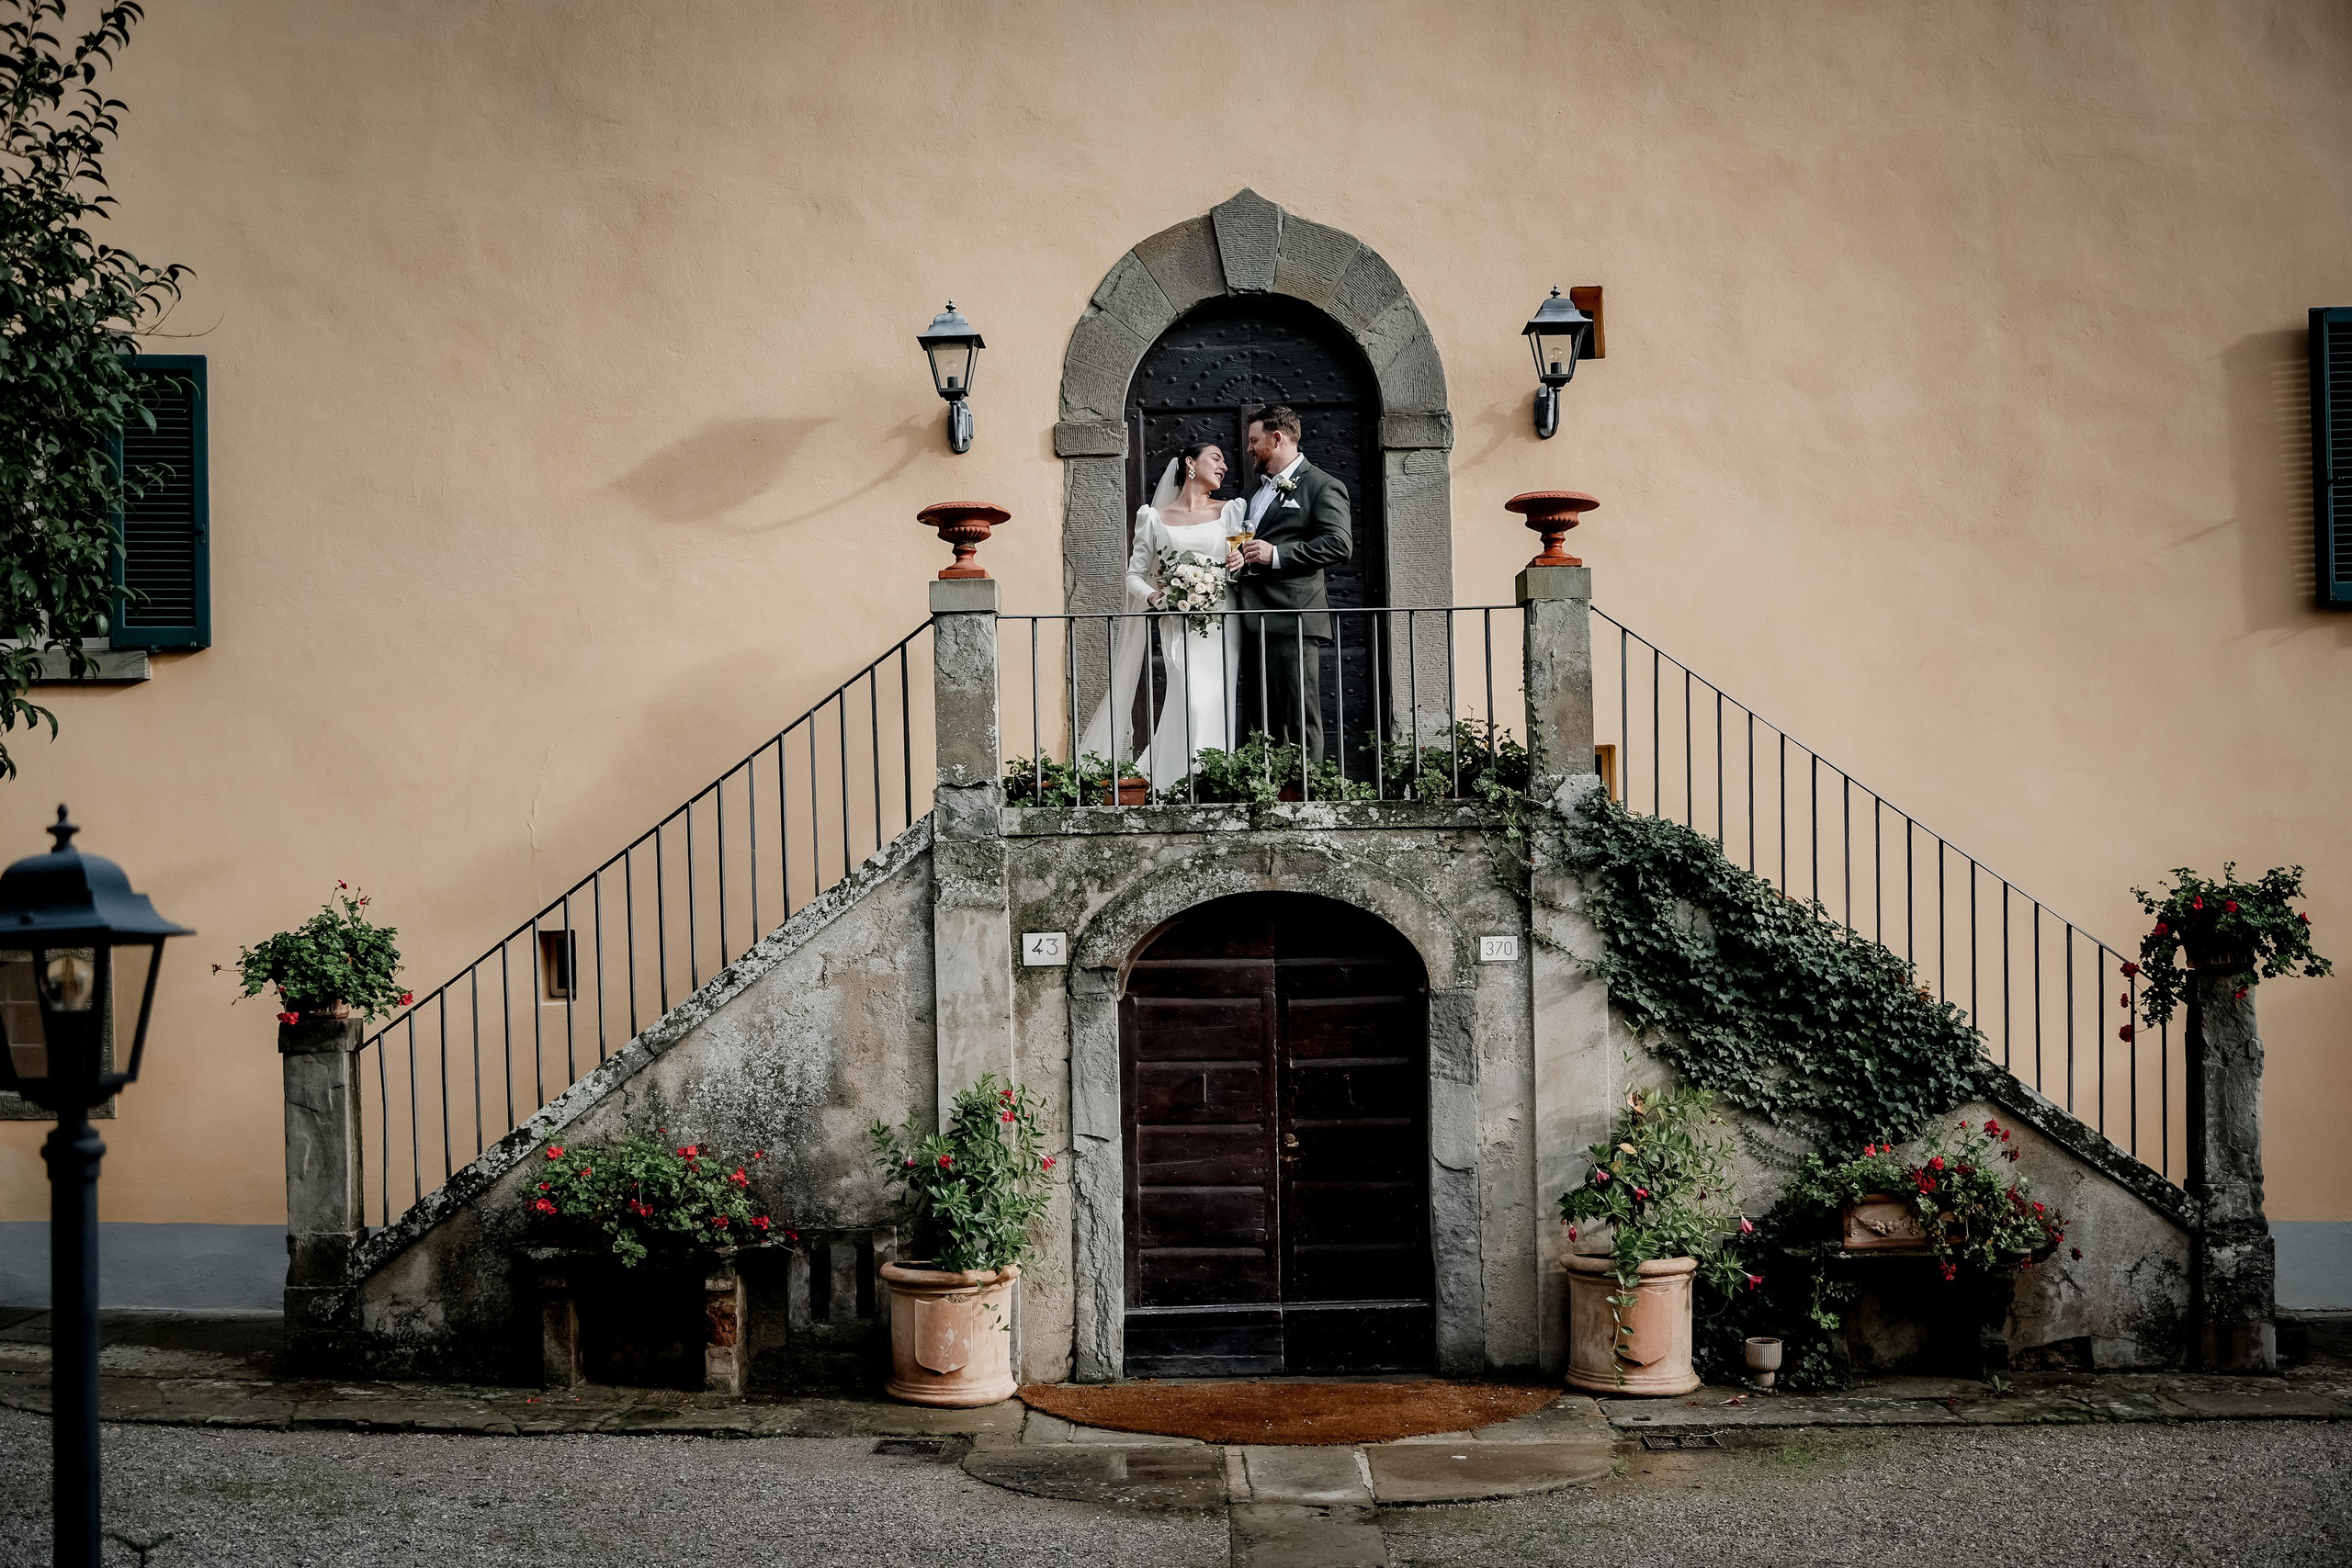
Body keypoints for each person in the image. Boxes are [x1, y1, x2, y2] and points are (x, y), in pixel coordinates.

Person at [1074, 442, 1246, 789]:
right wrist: (1154, 596)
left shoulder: (1231, 511)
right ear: (1190, 463)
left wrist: (1239, 562)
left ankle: (1210, 780)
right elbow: (1133, 575)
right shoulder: (1152, 518)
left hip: (1221, 620)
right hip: (1177, 621)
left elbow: (1236, 567)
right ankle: (1179, 780)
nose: (1224, 466)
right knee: (1189, 698)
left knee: (1216, 700)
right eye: (1216, 458)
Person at [1227, 405, 1351, 761]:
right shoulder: (1251, 493)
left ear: (1277, 438)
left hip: (1293, 617)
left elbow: (1339, 544)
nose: (1249, 448)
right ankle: (1265, 786)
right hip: (1251, 619)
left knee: (1299, 717)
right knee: (1260, 721)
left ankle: (1308, 788)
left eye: (1255, 441)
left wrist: (1276, 555)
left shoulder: (1322, 485)